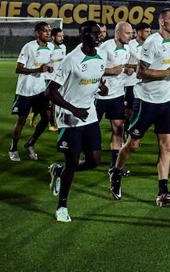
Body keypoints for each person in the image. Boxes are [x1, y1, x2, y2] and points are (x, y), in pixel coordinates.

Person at [45, 20, 122, 222]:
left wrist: (101, 89)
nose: (100, 36)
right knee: (72, 163)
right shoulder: (71, 59)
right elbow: (51, 91)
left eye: (101, 33)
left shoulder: (100, 57)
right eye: (95, 33)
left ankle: (58, 170)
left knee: (94, 160)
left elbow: (93, 82)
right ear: (83, 35)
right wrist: (74, 109)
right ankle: (62, 206)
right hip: (69, 117)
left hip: (89, 115)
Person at [110, 9, 170, 207]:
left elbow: (169, 66)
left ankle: (163, 191)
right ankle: (116, 173)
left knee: (167, 145)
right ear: (162, 21)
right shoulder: (152, 42)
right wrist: (168, 72)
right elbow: (141, 73)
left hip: (166, 100)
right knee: (132, 144)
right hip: (146, 101)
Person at [9, 22, 55, 161]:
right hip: (26, 90)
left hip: (41, 89)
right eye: (45, 31)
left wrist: (49, 68)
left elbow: (48, 64)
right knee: (21, 120)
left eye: (49, 31)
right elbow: (19, 69)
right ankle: (13, 148)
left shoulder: (51, 47)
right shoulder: (29, 47)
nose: (48, 33)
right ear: (37, 33)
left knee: (46, 118)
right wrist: (37, 69)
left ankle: (30, 143)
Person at [95, 22, 136, 168]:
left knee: (118, 128)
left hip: (118, 95)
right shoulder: (105, 47)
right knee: (93, 127)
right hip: (100, 96)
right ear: (117, 33)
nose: (131, 36)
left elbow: (125, 66)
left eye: (131, 33)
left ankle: (115, 165)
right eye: (128, 33)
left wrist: (128, 69)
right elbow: (95, 68)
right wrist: (112, 71)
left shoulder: (127, 47)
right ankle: (87, 154)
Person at [124, 22, 151, 129]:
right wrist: (137, 67)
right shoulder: (129, 45)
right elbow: (123, 63)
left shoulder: (150, 45)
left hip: (144, 83)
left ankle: (134, 132)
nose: (149, 34)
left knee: (140, 110)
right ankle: (126, 131)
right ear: (138, 32)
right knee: (128, 111)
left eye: (150, 31)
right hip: (130, 82)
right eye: (146, 31)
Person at [47, 27, 66, 132]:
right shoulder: (49, 47)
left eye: (62, 36)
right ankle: (52, 123)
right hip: (48, 78)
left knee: (58, 102)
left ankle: (34, 113)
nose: (62, 38)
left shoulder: (63, 47)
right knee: (52, 103)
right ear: (53, 37)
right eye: (59, 36)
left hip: (59, 79)